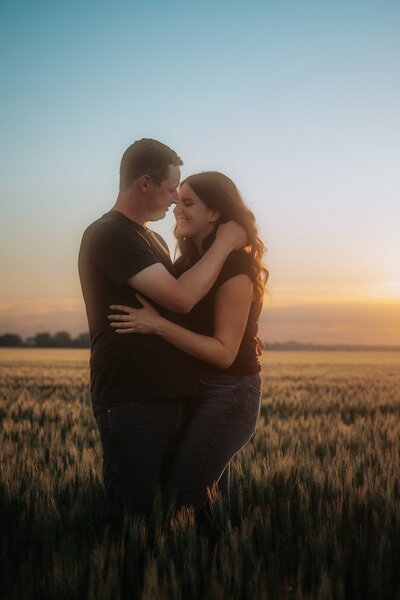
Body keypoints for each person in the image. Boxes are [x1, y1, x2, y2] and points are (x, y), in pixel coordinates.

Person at [78, 140, 247, 520]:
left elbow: (182, 311)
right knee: (133, 516)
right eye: (172, 189)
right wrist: (224, 244)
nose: (174, 200)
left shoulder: (152, 239)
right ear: (144, 184)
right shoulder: (109, 234)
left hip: (174, 398)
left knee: (184, 512)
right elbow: (181, 299)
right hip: (132, 396)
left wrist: (240, 329)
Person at [108, 171, 267, 514]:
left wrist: (159, 326)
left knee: (184, 499)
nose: (177, 208)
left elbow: (224, 353)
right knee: (201, 503)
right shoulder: (190, 264)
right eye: (177, 199)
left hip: (229, 392)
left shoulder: (236, 265)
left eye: (189, 202)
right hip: (196, 392)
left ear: (215, 213)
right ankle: (217, 563)